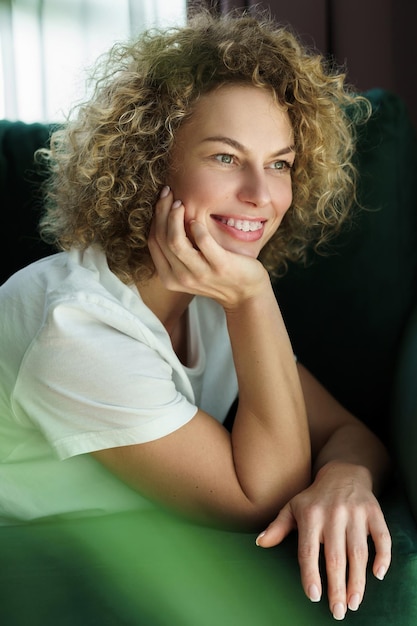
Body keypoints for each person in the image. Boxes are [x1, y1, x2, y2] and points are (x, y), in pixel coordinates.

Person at [0, 9, 391, 621]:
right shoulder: (74, 327)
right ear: (150, 164)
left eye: (281, 163)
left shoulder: (204, 293)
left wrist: (345, 477)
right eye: (226, 158)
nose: (262, 195)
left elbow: (351, 434)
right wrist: (253, 297)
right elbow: (262, 496)